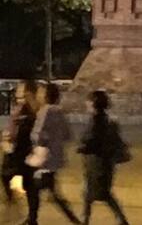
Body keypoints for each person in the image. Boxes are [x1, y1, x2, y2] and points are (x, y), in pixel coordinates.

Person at [27, 82, 81, 225]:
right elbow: (68, 135)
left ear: (45, 96)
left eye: (40, 92)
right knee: (50, 192)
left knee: (33, 189)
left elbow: (38, 135)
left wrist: (39, 143)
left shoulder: (45, 111)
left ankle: (32, 220)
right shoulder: (59, 112)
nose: (38, 95)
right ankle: (33, 219)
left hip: (43, 160)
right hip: (54, 159)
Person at [78, 90, 130, 225]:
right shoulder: (104, 119)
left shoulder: (97, 120)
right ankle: (88, 219)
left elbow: (94, 140)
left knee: (97, 193)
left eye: (89, 101)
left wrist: (84, 147)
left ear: (93, 103)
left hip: (97, 162)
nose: (86, 103)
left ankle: (86, 219)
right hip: (102, 161)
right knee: (95, 193)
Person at [2, 79, 39, 213]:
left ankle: (31, 217)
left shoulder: (30, 111)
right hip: (14, 149)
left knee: (28, 184)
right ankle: (22, 209)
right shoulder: (19, 109)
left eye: (22, 93)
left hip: (22, 150)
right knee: (7, 176)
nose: (19, 95)